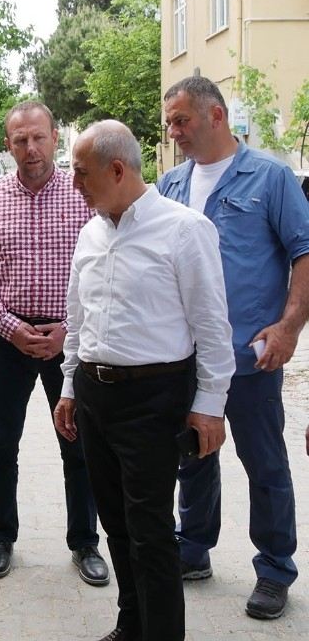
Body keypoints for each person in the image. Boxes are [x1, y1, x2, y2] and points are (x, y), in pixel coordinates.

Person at [54, 120, 234, 641]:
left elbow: (212, 327)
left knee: (151, 533)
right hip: (94, 395)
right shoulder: (90, 231)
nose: (75, 185)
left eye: (82, 174)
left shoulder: (184, 229)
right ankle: (131, 625)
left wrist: (210, 404)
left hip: (153, 400)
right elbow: (78, 318)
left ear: (117, 169)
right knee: (115, 523)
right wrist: (69, 387)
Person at [158, 76, 309, 618]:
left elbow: (304, 252)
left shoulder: (270, 179)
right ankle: (192, 549)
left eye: (181, 120)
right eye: (169, 123)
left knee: (263, 463)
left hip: (250, 358)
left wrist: (289, 326)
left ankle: (274, 569)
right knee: (193, 455)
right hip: (187, 358)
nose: (173, 132)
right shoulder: (171, 184)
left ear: (216, 115)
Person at [0, 101, 107, 584]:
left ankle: (86, 542)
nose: (31, 148)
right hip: (8, 338)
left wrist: (70, 328)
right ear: (9, 145)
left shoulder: (84, 195)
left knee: (80, 444)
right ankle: (1, 535)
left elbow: (106, 266)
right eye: (20, 140)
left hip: (72, 338)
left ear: (56, 136)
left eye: (39, 137)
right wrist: (9, 326)